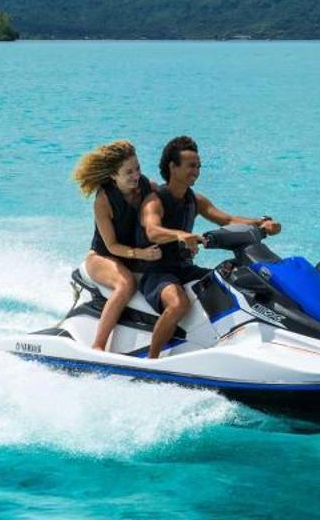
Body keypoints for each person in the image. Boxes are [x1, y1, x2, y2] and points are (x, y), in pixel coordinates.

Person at [138, 135, 282, 359]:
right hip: (158, 272)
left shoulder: (195, 200)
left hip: (184, 269)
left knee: (233, 281)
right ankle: (152, 360)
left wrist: (260, 223)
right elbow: (152, 231)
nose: (196, 171)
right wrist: (180, 235)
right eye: (191, 166)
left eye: (198, 166)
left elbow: (227, 219)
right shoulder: (155, 200)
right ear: (173, 167)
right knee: (178, 304)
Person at [70, 139, 163, 353]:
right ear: (114, 175)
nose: (136, 175)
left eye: (137, 169)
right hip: (102, 257)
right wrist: (140, 253)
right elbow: (111, 245)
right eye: (128, 172)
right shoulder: (103, 201)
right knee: (126, 284)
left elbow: (165, 206)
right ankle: (98, 346)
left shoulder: (146, 186)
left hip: (132, 257)